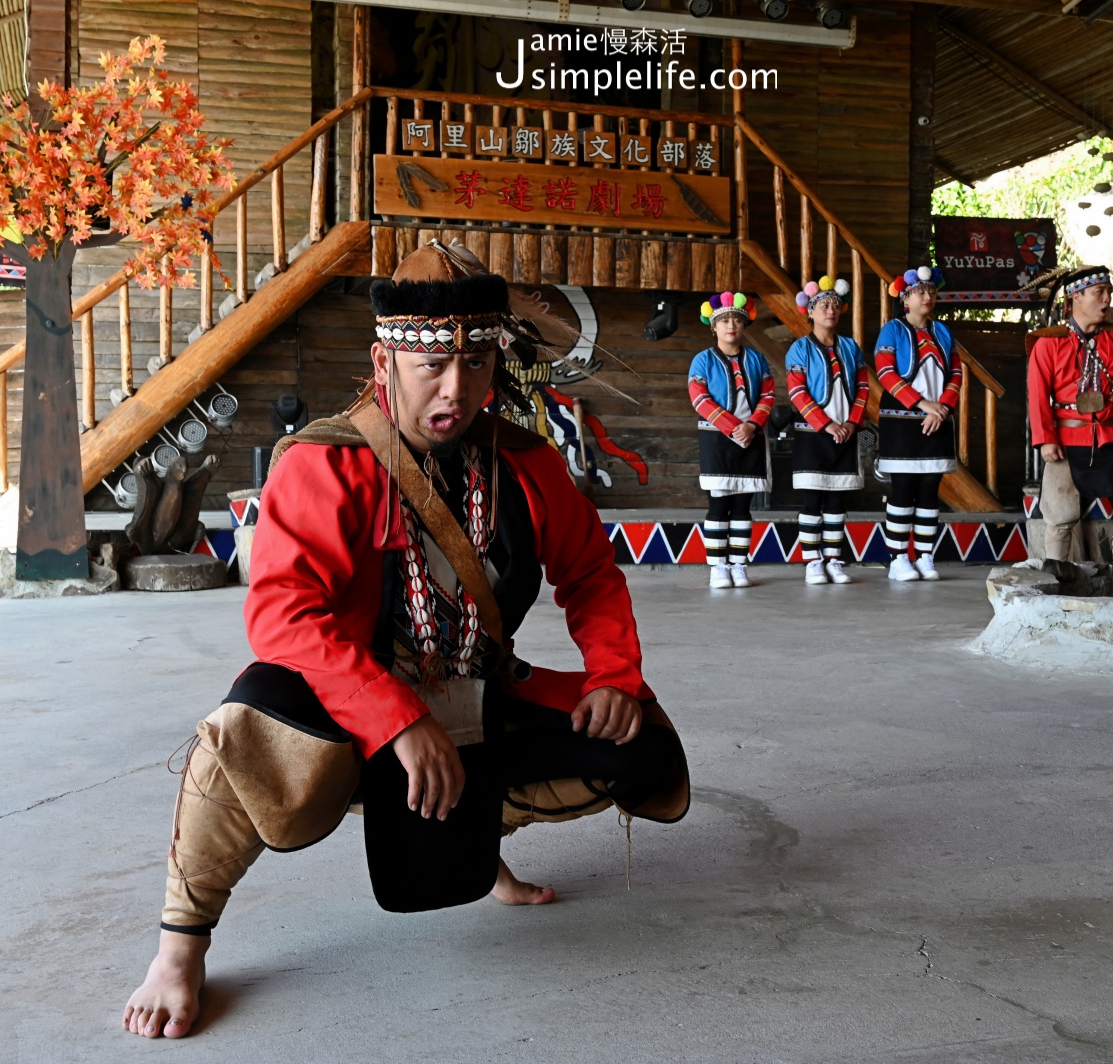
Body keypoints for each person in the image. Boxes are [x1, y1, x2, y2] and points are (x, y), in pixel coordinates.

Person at [122, 242, 689, 1039]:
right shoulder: (324, 461)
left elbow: (591, 575)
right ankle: (179, 943)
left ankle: (480, 836)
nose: (457, 388)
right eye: (431, 366)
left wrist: (614, 676)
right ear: (383, 360)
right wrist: (395, 717)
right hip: (349, 702)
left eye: (477, 363)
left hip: (475, 687)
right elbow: (283, 614)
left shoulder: (527, 462)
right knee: (247, 728)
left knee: (641, 745)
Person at [1027, 266, 1113, 568]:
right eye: (1100, 292)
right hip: (1066, 440)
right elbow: (1037, 394)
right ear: (1076, 297)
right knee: (1059, 516)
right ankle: (1058, 581)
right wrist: (1045, 440)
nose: (1107, 298)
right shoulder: (1049, 342)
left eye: (1109, 291)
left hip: (1111, 435)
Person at [872, 266, 962, 582]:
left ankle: (925, 555)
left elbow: (956, 374)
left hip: (937, 421)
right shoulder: (892, 330)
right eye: (920, 292)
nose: (927, 297)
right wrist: (923, 404)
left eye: (931, 292)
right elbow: (885, 372)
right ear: (905, 299)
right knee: (903, 488)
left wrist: (942, 409)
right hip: (902, 421)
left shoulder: (942, 332)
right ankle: (898, 558)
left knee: (929, 489)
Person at [687, 291, 774, 590]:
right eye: (724, 320)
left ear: (744, 323)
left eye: (736, 319)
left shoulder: (757, 360)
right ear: (713, 327)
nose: (731, 325)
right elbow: (699, 398)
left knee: (742, 508)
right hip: (717, 440)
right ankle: (717, 566)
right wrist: (732, 426)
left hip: (751, 438)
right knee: (717, 506)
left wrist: (752, 425)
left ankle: (738, 564)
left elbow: (768, 394)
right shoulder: (702, 360)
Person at [786, 276, 868, 585]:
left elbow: (862, 388)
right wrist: (828, 424)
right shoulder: (799, 349)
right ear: (809, 311)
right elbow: (798, 393)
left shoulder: (850, 347)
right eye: (823, 305)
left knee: (837, 501)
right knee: (812, 500)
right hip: (812, 435)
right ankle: (812, 561)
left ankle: (834, 559)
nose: (829, 310)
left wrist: (850, 423)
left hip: (846, 434)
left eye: (834, 305)